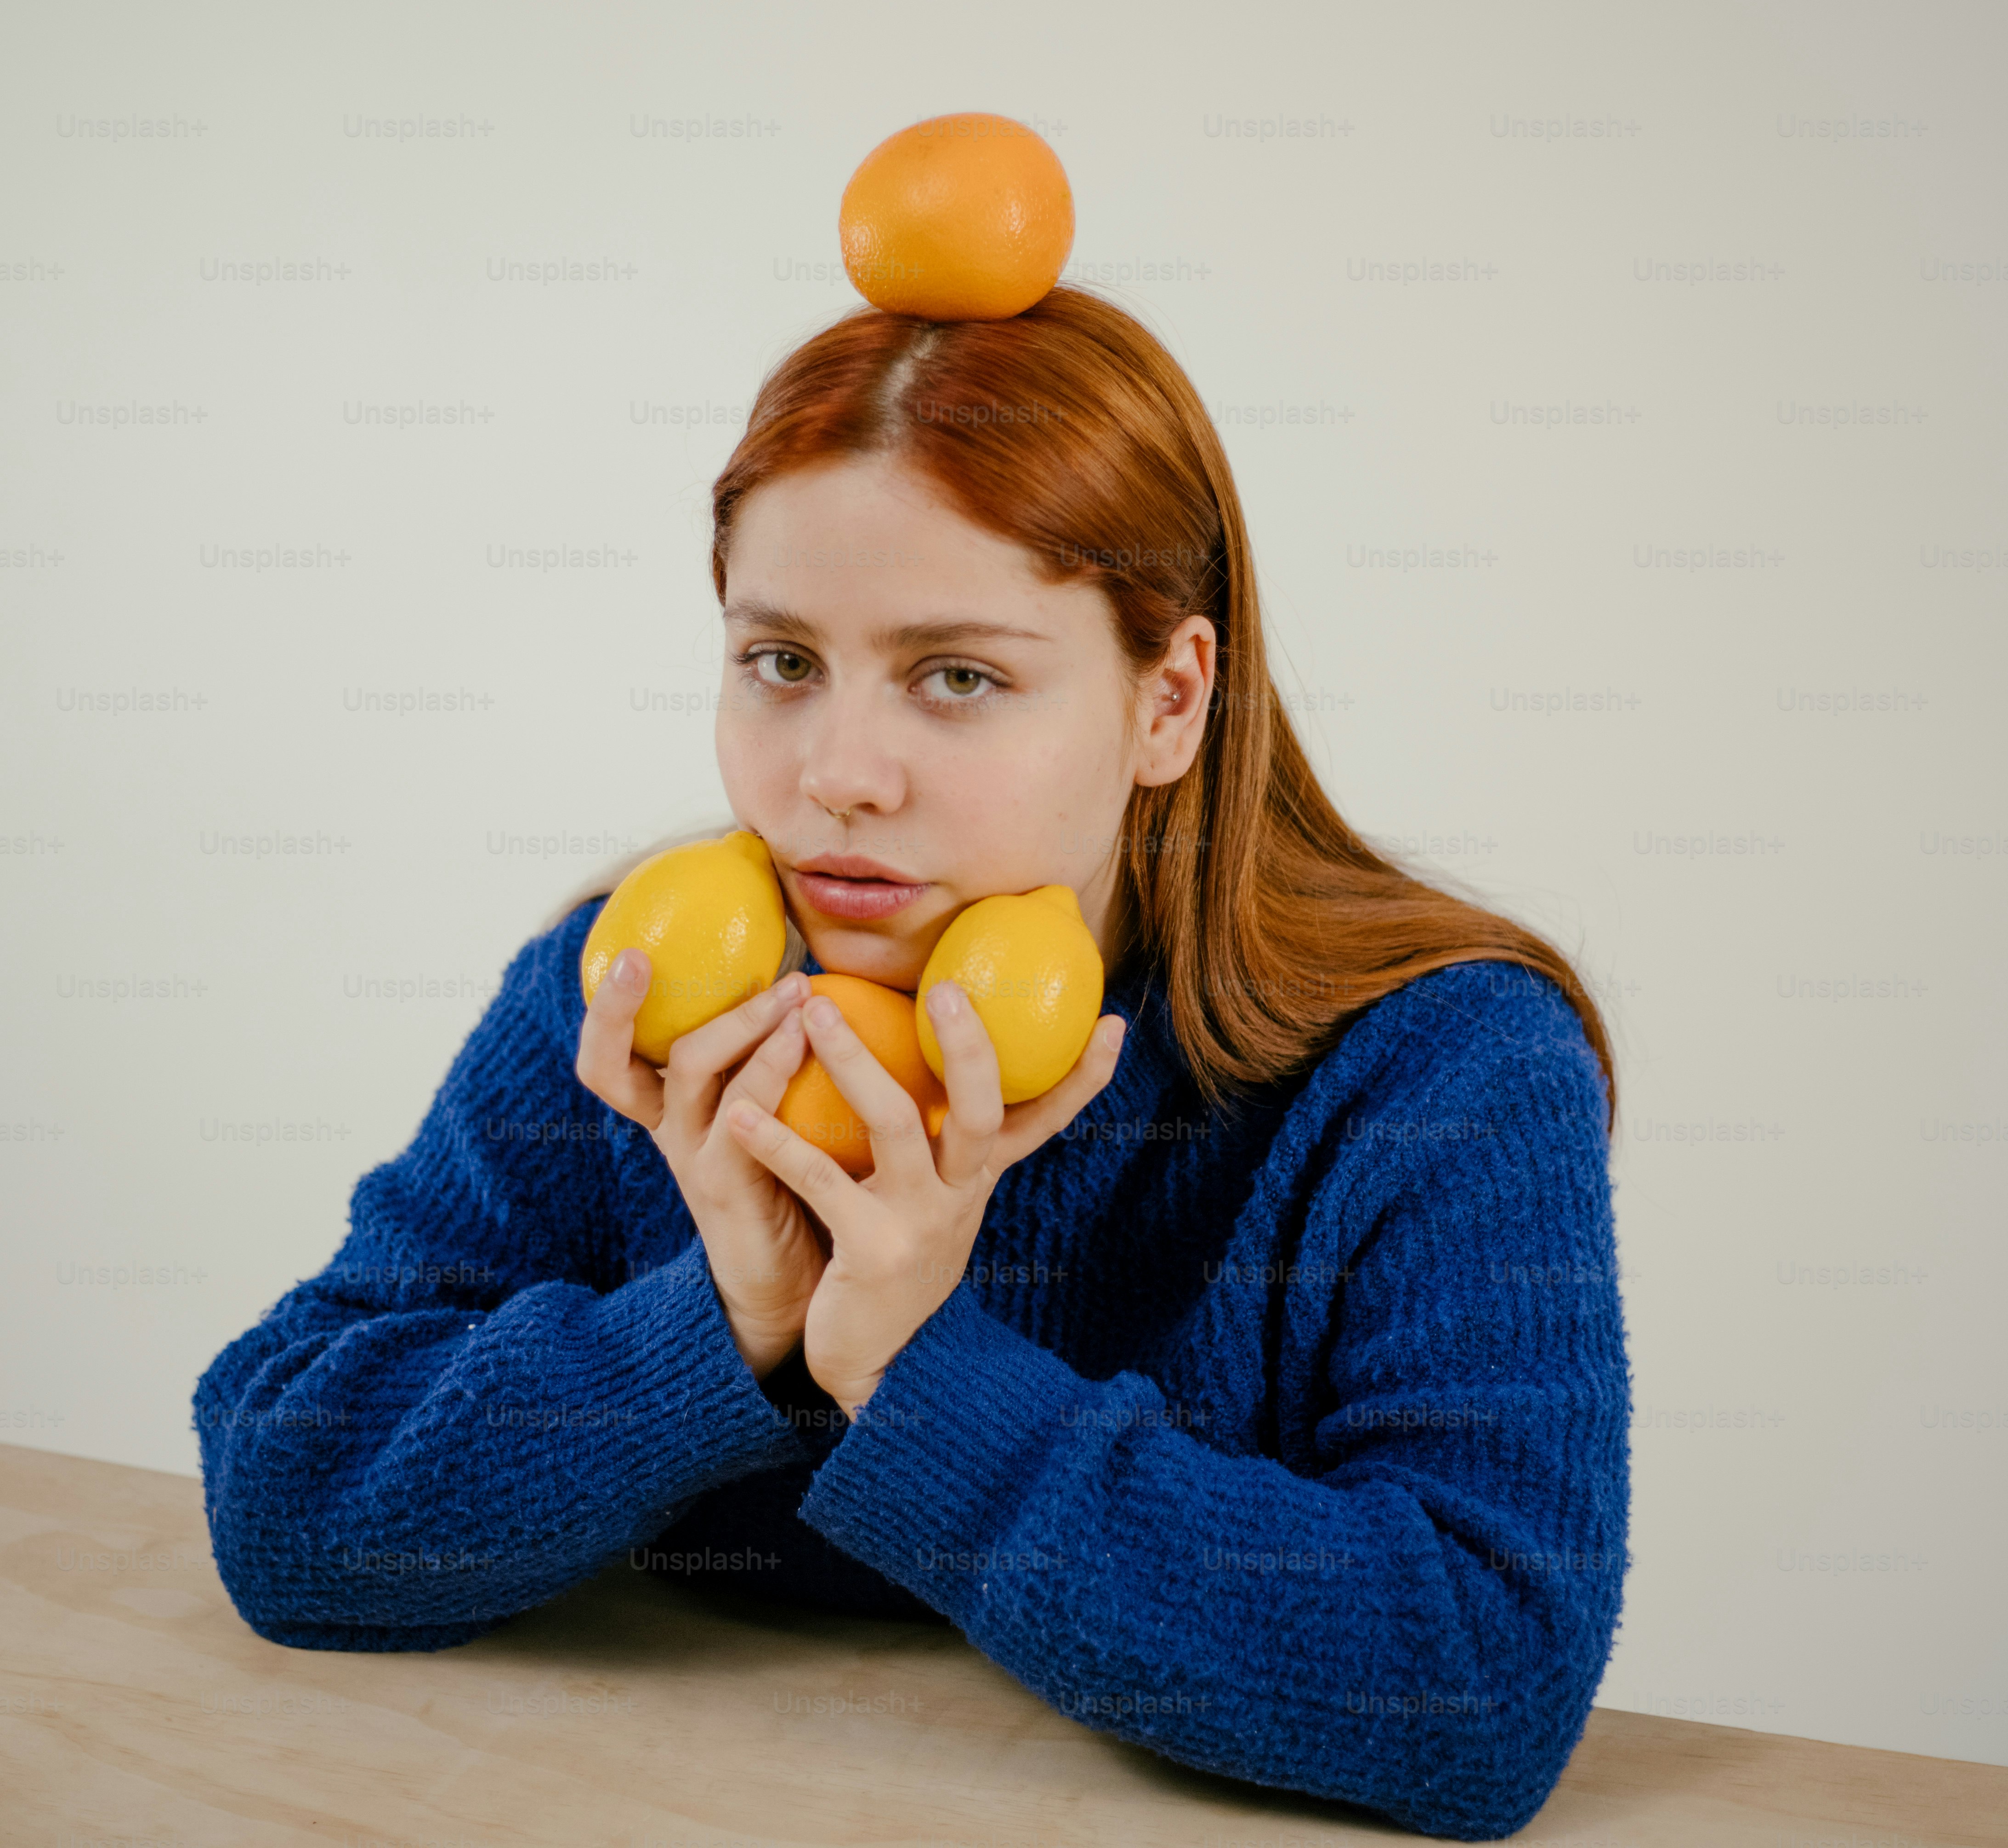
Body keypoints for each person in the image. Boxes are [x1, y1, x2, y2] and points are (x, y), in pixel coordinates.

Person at [194, 286, 1629, 1842]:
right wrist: (726, 1323)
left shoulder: (1437, 1061)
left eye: (958, 676)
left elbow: (1481, 1688)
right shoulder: (627, 1004)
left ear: (1170, 700)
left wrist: (908, 1371)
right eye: (783, 662)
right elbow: (293, 1510)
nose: (836, 781)